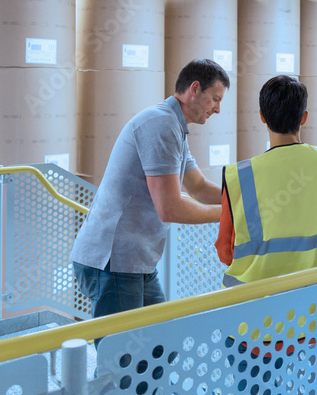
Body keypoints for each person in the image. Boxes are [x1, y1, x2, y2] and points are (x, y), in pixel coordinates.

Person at [71, 58, 228, 317]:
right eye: (215, 99)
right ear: (195, 89)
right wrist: (229, 215)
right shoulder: (161, 125)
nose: (218, 109)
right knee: (125, 354)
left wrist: (242, 197)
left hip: (136, 262)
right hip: (113, 262)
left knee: (158, 348)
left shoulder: (175, 127)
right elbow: (170, 208)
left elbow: (198, 186)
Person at [215, 75, 317, 287]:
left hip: (253, 308)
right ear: (304, 118)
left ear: (262, 117)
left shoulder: (240, 176)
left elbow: (226, 251)